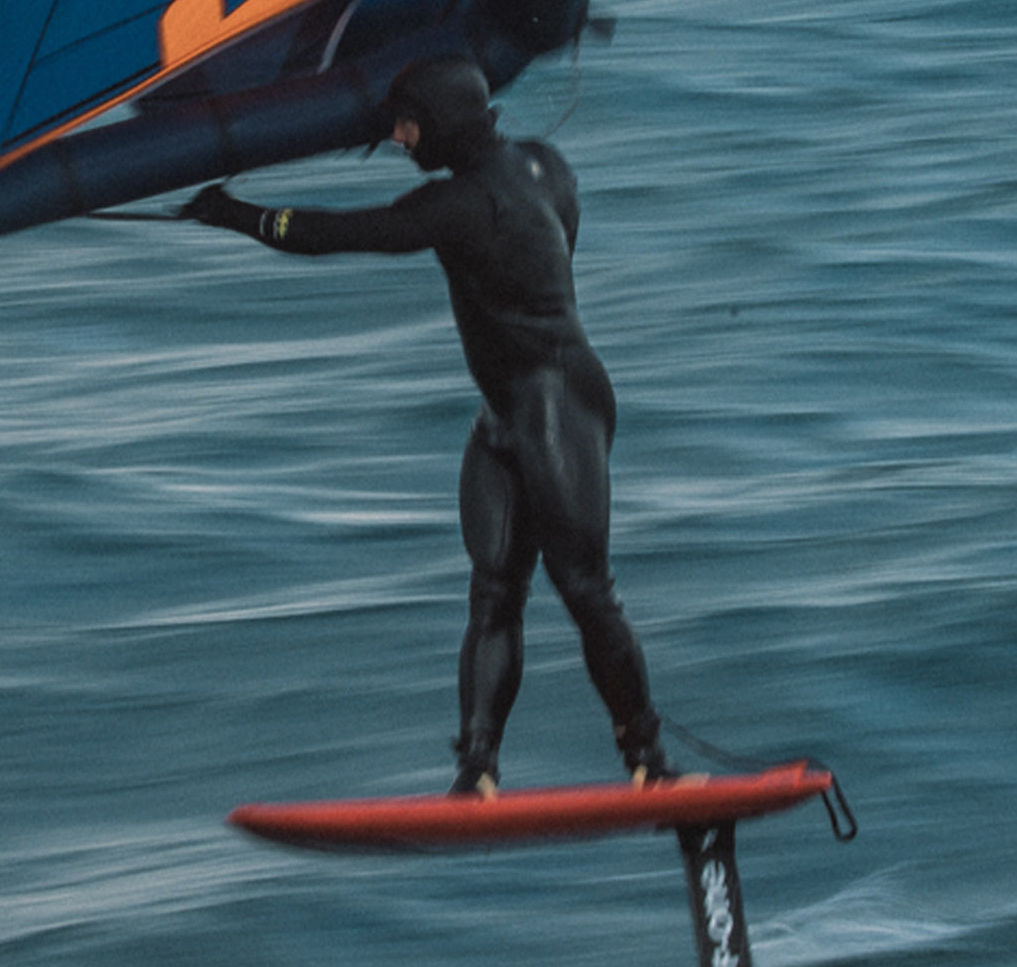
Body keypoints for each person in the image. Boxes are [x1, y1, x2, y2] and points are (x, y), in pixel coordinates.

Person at [183, 55, 671, 796]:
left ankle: (649, 761)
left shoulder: (459, 205)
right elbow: (551, 245)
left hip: (557, 401)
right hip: (505, 412)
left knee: (584, 587)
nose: (399, 138)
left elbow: (338, 233)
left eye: (408, 124)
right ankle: (477, 771)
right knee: (494, 593)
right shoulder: (545, 165)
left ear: (442, 123)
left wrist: (234, 215)